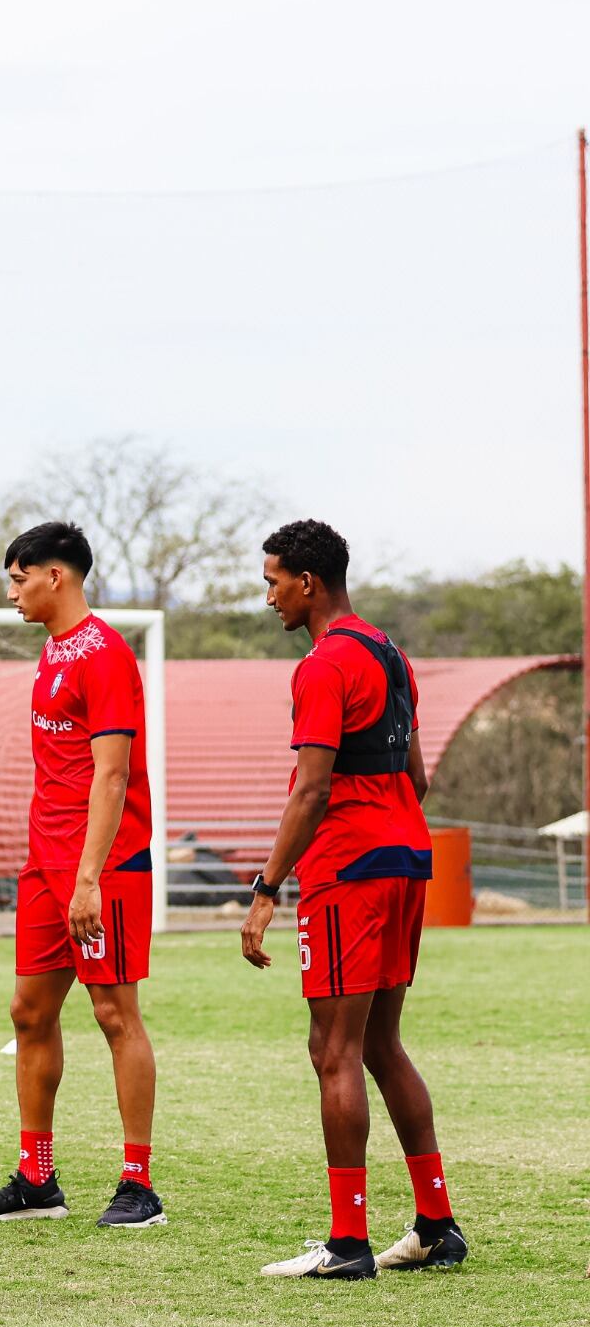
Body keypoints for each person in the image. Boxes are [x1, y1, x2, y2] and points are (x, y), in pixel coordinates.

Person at [242, 520, 466, 1280]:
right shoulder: (389, 652)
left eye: (273, 581)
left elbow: (310, 790)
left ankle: (346, 1244)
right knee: (380, 1045)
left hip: (351, 871)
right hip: (406, 859)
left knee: (331, 1049)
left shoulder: (323, 665)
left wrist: (266, 888)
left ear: (307, 582)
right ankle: (435, 1224)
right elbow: (417, 777)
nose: (269, 596)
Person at [0, 522, 167, 1229]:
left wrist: (87, 879)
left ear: (57, 576)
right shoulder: (53, 649)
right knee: (29, 1012)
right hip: (44, 864)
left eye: (19, 579)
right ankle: (36, 1178)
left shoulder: (104, 654)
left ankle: (138, 1185)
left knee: (114, 1013)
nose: (11, 593)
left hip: (101, 869)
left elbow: (112, 774)